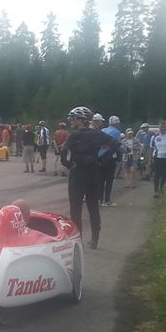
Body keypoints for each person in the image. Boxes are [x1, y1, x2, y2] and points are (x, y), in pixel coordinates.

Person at [60, 106, 118, 249]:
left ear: (80, 120)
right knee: (93, 207)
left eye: (73, 119)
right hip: (93, 172)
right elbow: (115, 144)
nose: (71, 121)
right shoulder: (97, 134)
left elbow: (63, 151)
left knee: (75, 208)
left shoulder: (74, 135)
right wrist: (101, 159)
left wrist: (68, 164)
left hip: (77, 172)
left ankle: (78, 240)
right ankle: (94, 239)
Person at [150, 121, 166, 198]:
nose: (163, 129)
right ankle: (155, 191)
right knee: (157, 175)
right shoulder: (154, 137)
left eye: (164, 127)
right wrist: (150, 159)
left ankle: (161, 188)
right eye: (161, 127)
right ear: (159, 128)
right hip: (157, 158)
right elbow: (151, 148)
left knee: (164, 175)